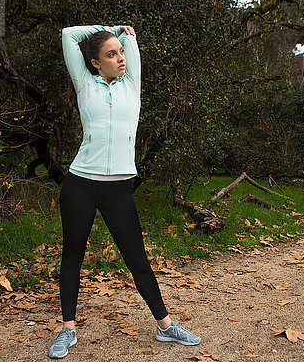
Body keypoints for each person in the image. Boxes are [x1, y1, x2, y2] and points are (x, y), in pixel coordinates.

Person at [48, 25, 201, 359]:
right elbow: (68, 34)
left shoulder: (132, 85)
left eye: (121, 52)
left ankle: (165, 326)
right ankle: (67, 330)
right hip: (80, 186)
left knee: (138, 260)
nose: (120, 59)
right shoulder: (85, 84)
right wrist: (107, 29)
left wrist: (123, 34)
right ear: (94, 63)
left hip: (118, 189)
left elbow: (130, 46)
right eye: (111, 54)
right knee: (72, 257)